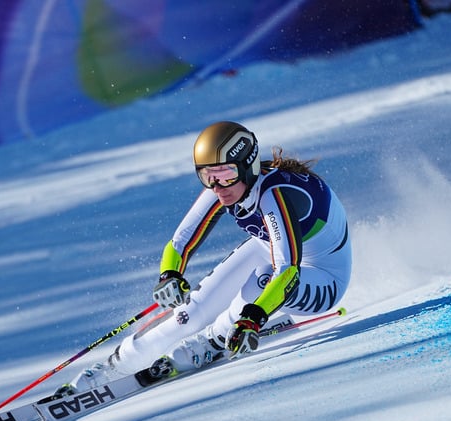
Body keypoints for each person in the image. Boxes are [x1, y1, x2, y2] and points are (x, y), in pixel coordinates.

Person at [62, 120, 352, 393]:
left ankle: (212, 341)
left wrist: (252, 318)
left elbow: (287, 272)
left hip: (322, 277)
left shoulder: (275, 196)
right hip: (270, 251)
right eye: (208, 176)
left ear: (247, 167)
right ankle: (112, 368)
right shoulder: (224, 188)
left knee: (265, 277)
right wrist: (170, 275)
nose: (217, 187)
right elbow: (179, 244)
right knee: (190, 311)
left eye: (226, 174)